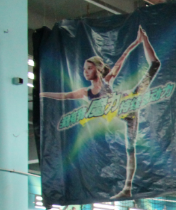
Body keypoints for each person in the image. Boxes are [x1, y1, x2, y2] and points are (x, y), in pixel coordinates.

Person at [39, 26, 160, 199]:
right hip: (123, 114)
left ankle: (145, 37)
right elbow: (65, 95)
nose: (85, 72)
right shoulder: (86, 92)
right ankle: (127, 188)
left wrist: (136, 42)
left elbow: (122, 59)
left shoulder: (106, 81)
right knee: (129, 149)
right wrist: (43, 94)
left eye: (88, 68)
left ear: (97, 69)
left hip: (128, 102)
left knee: (155, 65)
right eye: (84, 69)